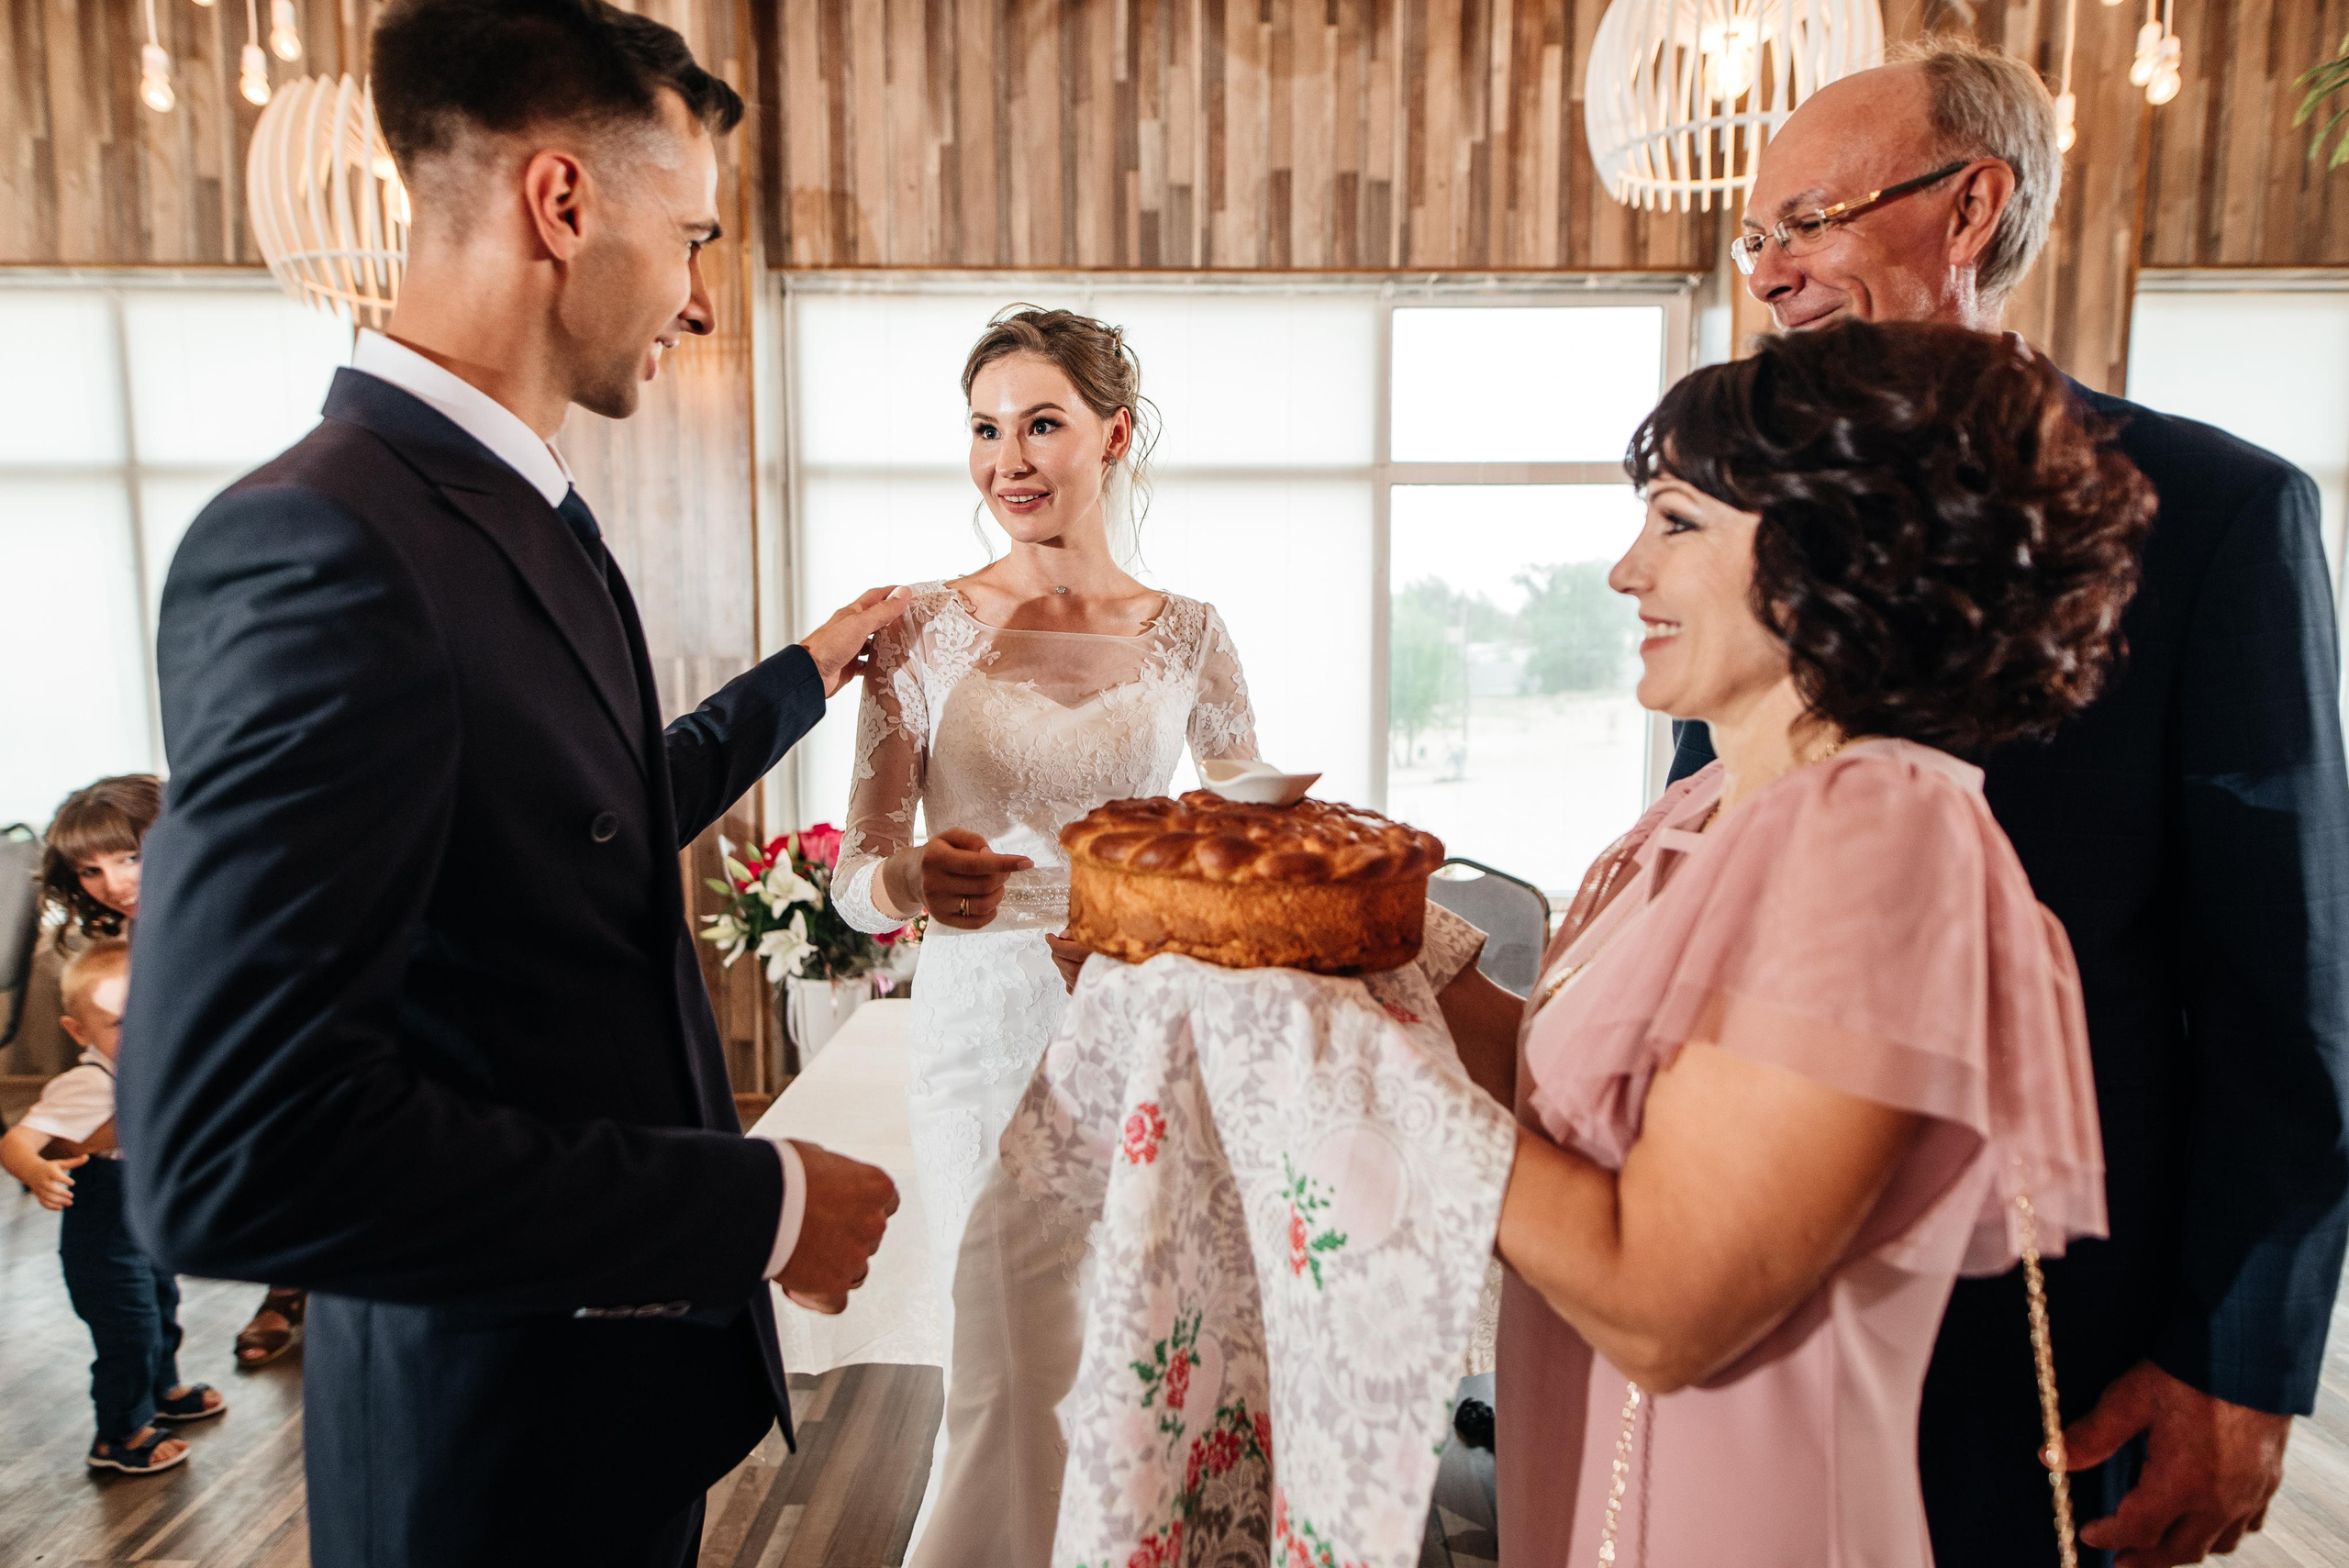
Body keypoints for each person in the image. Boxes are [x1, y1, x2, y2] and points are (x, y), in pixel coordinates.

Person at [117, 4, 904, 1564]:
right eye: (690, 237)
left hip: (598, 1407)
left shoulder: (517, 507)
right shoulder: (324, 544)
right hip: (479, 1455)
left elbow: (580, 821)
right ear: (563, 204)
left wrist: (810, 670)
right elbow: (230, 1148)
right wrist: (748, 1206)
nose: (695, 294)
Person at [1667, 35, 2349, 1567]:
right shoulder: (1743, 511)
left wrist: (2239, 1350)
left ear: (1970, 208)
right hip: (1753, 1268)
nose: (1768, 273)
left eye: (1809, 220)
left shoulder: (2218, 513)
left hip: (2052, 1318)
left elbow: (2281, 978)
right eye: (1754, 237)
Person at [1433, 318, 2152, 1562]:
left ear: (1835, 548)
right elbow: (1549, 1104)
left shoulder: (1882, 834)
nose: (1623, 572)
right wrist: (1371, 938)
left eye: (1675, 523)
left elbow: (1663, 1304)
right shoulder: (1710, 804)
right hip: (1592, 1489)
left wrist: (1340, 1072)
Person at [830, 305, 1260, 1566]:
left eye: (1040, 424)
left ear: (1113, 435)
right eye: (983, 428)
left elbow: (1244, 857)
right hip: (980, 1031)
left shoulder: (1192, 631)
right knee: (1005, 1363)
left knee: (1141, 1349)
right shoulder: (915, 626)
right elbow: (856, 874)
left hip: (1140, 1021)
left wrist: (1158, 921)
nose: (1006, 458)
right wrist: (912, 879)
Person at [34, 775, 307, 1369]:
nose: (115, 883)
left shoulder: (235, 896)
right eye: (90, 870)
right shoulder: (134, 929)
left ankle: (292, 1289)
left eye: (130, 856)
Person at [3, 940, 227, 1475]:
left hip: (147, 1227)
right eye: (119, 1023)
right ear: (80, 1033)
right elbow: (15, 1142)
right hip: (104, 1243)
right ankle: (118, 1433)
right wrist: (36, 1172)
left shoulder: (161, 1070)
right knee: (129, 1330)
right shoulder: (87, 1084)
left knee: (161, 1305)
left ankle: (162, 1390)